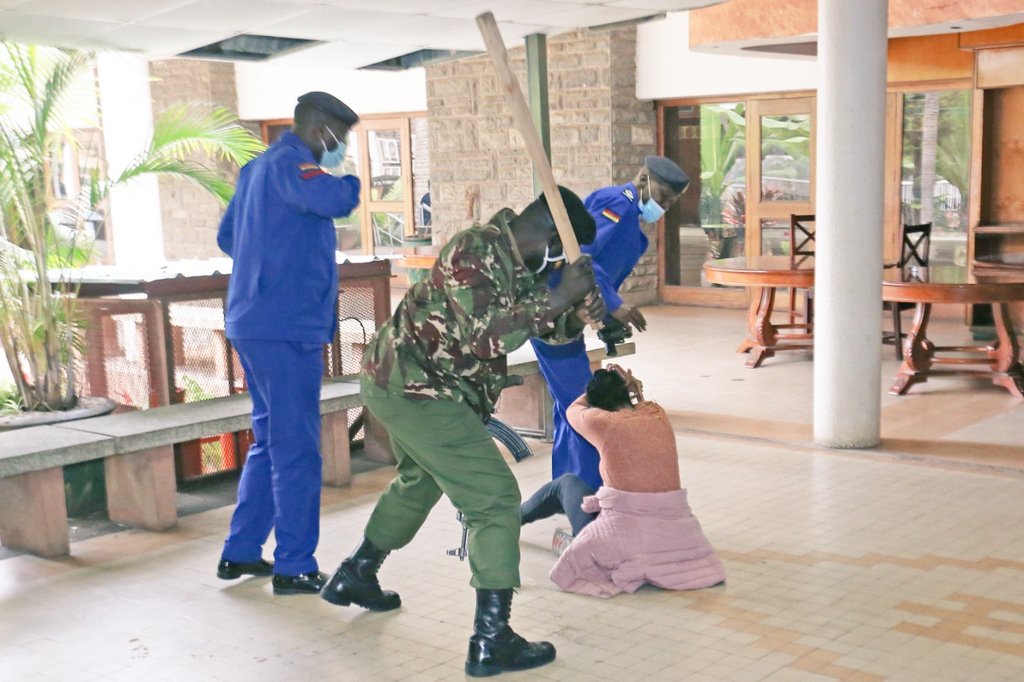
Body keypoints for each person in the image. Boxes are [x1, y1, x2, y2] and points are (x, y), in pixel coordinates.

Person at [320, 187, 605, 677]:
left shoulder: (519, 263)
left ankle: (356, 573)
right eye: (561, 253)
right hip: (415, 388)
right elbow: (487, 335)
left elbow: (537, 326)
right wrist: (562, 295)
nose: (557, 264)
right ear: (550, 238)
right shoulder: (476, 252)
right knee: (494, 500)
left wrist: (573, 315)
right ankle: (492, 640)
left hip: (419, 387)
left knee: (421, 480)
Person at [215, 91, 361, 595]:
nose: (338, 148)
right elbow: (337, 199)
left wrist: (272, 256)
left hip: (254, 322)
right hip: (285, 328)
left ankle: (240, 551)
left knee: (270, 440)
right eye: (339, 139)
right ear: (320, 130)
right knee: (297, 446)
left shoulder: (255, 170)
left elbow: (228, 236)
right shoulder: (293, 167)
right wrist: (355, 178)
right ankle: (294, 563)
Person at [530, 156, 690, 490]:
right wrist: (615, 306)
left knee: (569, 406)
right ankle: (585, 494)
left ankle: (569, 488)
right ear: (643, 178)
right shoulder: (617, 204)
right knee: (583, 407)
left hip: (568, 315)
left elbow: (599, 268)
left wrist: (605, 316)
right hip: (553, 317)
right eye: (663, 196)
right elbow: (581, 257)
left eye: (671, 203)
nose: (664, 206)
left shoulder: (630, 217)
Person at [521, 365, 725, 598]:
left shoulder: (602, 423)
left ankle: (514, 518)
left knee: (565, 484)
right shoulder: (656, 414)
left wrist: (595, 388)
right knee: (591, 496)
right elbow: (640, 400)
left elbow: (573, 409)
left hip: (623, 538)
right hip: (674, 532)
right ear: (627, 393)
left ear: (597, 403)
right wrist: (629, 385)